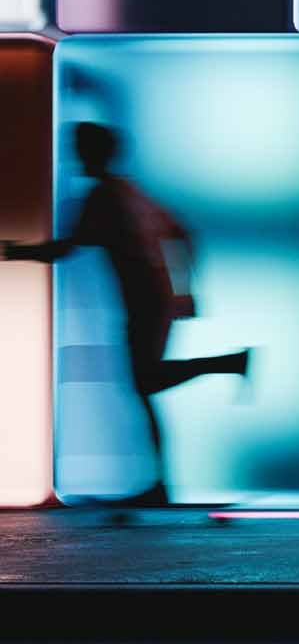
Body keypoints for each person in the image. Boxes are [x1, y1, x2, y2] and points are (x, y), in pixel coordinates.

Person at [2, 122, 248, 506]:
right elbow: (182, 233)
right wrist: (184, 291)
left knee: (144, 383)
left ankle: (229, 363)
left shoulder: (104, 196)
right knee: (145, 385)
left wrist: (14, 253)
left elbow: (65, 248)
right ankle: (162, 480)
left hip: (144, 302)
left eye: (80, 148)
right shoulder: (130, 192)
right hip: (155, 299)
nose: (75, 156)